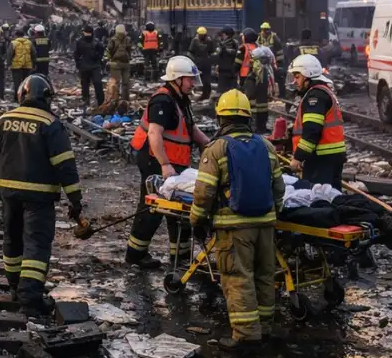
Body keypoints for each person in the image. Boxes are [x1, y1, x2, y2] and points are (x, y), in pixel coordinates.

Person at [190, 90, 284, 348]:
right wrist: (275, 213)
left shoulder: (217, 148)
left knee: (238, 277)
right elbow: (278, 186)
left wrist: (196, 220)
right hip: (266, 225)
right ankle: (264, 329)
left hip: (234, 227)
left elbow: (203, 192)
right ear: (247, 117)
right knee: (265, 275)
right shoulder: (266, 146)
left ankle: (245, 336)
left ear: (220, 118)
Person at [0, 75, 83, 318]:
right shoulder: (50, 124)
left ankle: (15, 288)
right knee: (36, 246)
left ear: (21, 95)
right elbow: (65, 165)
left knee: (13, 241)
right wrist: (75, 199)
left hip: (8, 193)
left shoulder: (4, 119)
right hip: (38, 197)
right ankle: (30, 300)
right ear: (46, 98)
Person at [124, 56, 211, 269]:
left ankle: (179, 258)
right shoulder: (162, 101)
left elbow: (190, 128)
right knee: (152, 208)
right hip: (156, 160)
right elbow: (154, 133)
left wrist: (208, 144)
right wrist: (164, 164)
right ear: (177, 79)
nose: (192, 83)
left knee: (178, 210)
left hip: (175, 162)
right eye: (189, 79)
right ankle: (135, 255)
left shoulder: (179, 99)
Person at [286, 54, 347, 189]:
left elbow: (312, 130)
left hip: (321, 159)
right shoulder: (322, 91)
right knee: (331, 196)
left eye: (297, 77)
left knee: (319, 199)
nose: (295, 81)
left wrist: (298, 157)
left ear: (309, 75)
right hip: (330, 156)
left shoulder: (315, 96)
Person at [244, 46, 277, 135]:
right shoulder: (266, 71)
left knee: (255, 128)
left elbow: (249, 93)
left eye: (252, 59)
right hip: (263, 110)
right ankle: (262, 129)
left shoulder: (254, 75)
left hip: (254, 110)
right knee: (261, 124)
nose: (250, 62)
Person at [73, 25, 105, 109]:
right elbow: (101, 53)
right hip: (93, 67)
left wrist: (79, 64)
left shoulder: (80, 41)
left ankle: (87, 102)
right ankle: (100, 103)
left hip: (87, 67)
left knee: (86, 85)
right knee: (96, 85)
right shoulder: (96, 42)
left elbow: (76, 54)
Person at [256, 22, 286, 98]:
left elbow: (280, 53)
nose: (263, 32)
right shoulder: (259, 38)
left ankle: (282, 94)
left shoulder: (275, 38)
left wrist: (278, 64)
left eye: (265, 30)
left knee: (280, 76)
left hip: (274, 62)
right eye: (262, 30)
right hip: (262, 62)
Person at [105, 24, 133, 104]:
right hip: (125, 63)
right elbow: (129, 50)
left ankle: (115, 100)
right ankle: (125, 100)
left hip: (115, 63)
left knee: (116, 83)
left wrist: (108, 59)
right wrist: (129, 57)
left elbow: (108, 50)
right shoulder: (128, 39)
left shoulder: (113, 39)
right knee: (126, 83)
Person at [188, 27, 216, 101]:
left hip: (199, 63)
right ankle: (204, 94)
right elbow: (212, 51)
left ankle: (202, 94)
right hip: (204, 62)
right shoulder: (209, 41)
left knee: (200, 79)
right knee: (204, 79)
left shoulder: (195, 41)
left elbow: (190, 52)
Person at [9, 29, 36, 99]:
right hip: (27, 65)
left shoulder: (13, 43)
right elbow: (34, 53)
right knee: (26, 82)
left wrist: (8, 64)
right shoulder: (29, 42)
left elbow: (9, 54)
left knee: (17, 83)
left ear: (16, 35)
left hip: (16, 66)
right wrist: (34, 64)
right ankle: (25, 97)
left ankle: (17, 98)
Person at [216, 27, 239, 93]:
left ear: (226, 35)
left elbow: (235, 53)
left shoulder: (234, 43)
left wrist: (225, 50)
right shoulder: (222, 43)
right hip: (225, 70)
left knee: (224, 91)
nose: (222, 36)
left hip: (228, 71)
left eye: (222, 35)